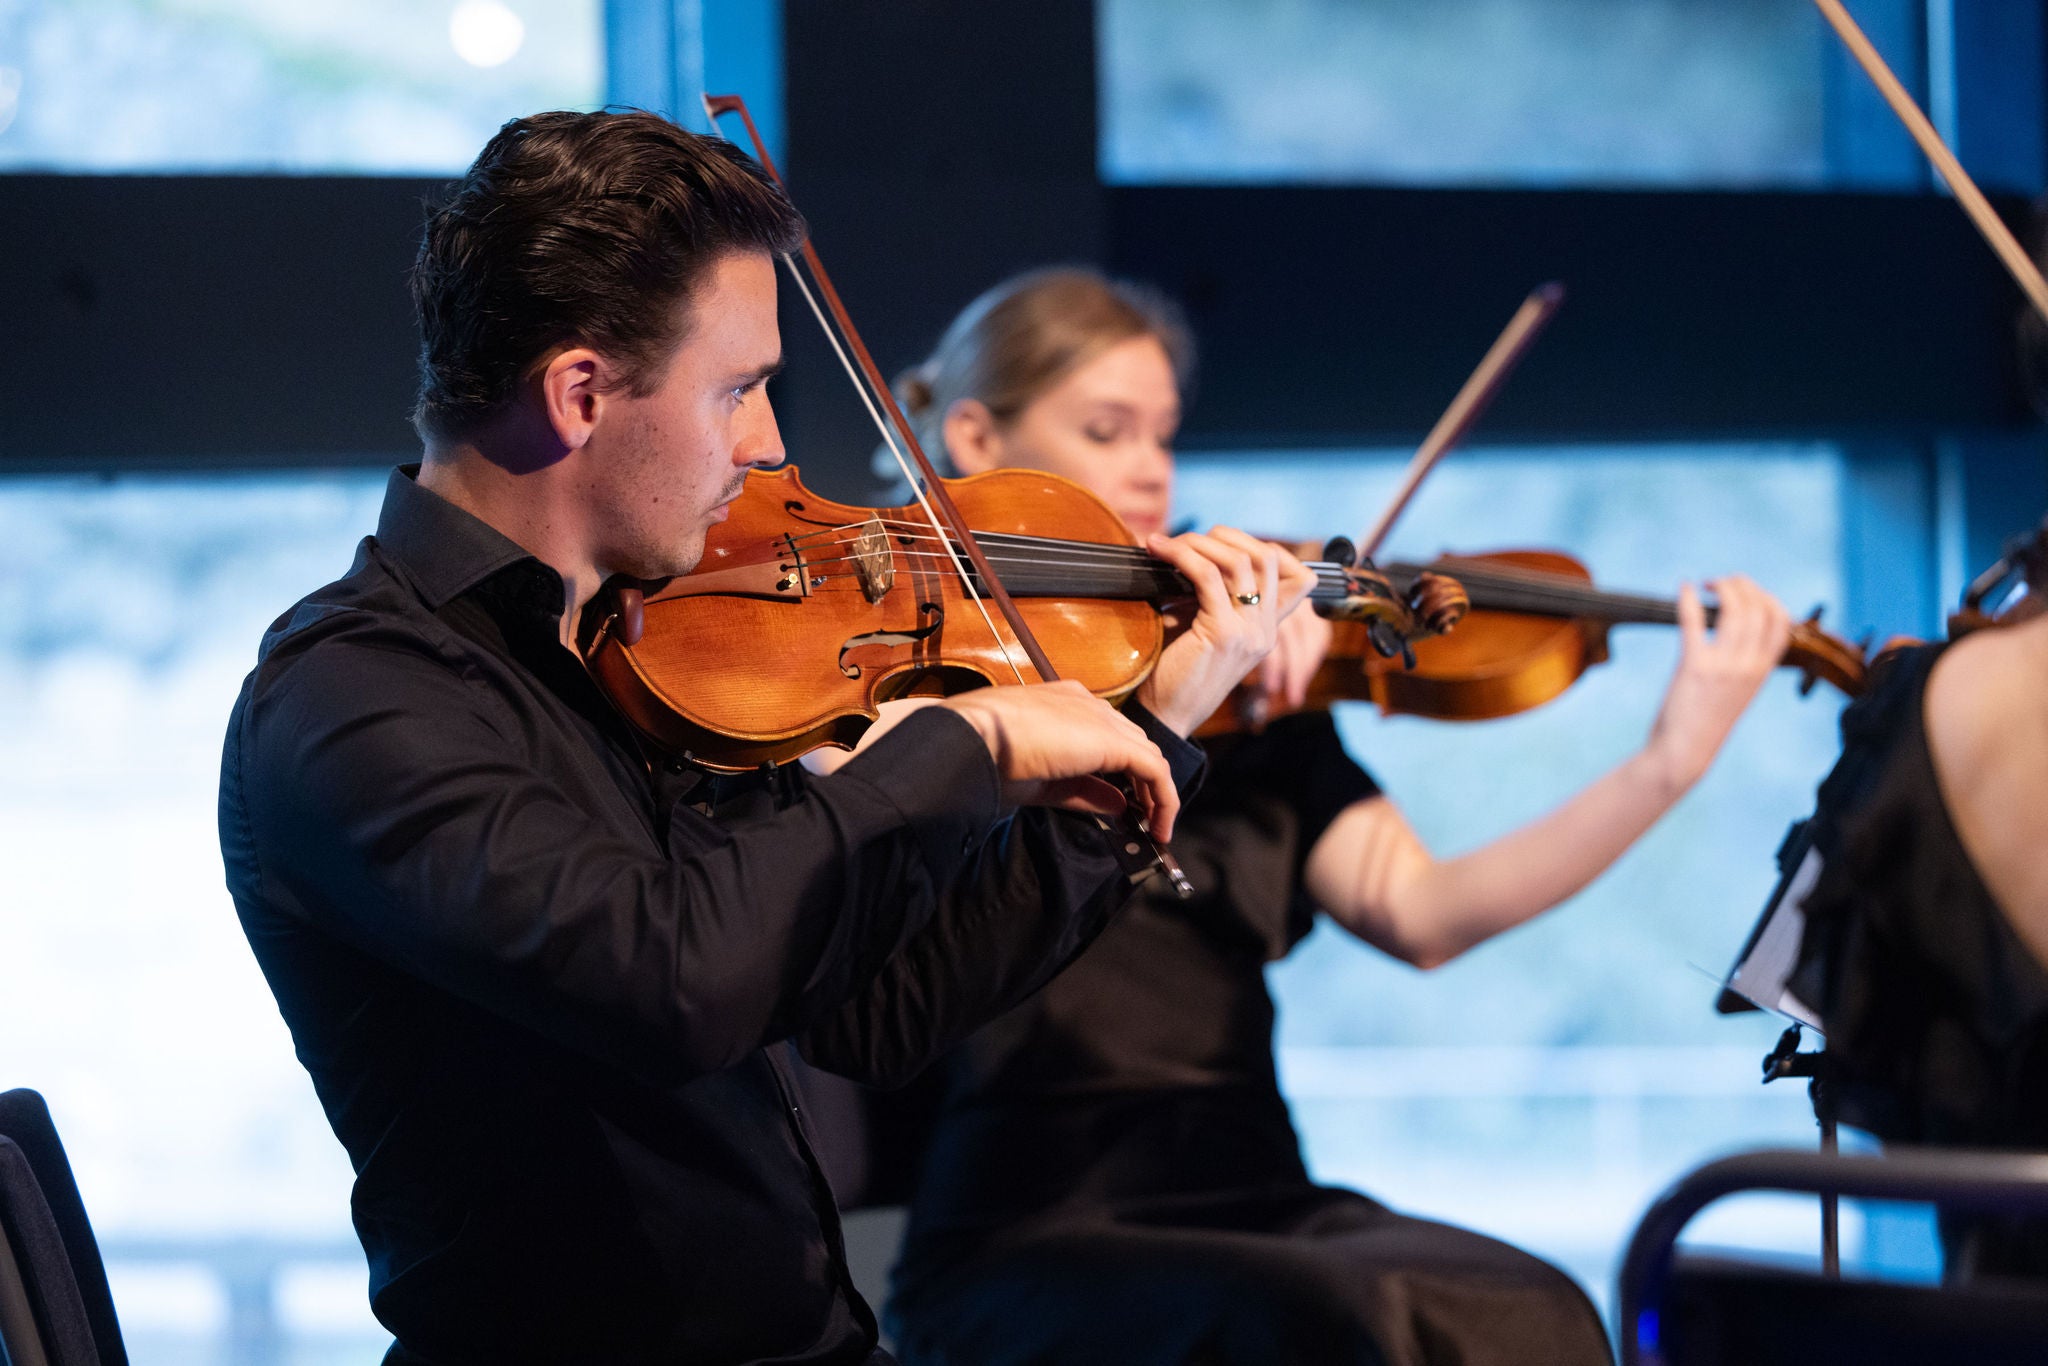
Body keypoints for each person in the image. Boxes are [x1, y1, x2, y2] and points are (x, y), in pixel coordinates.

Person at [217, 116, 1312, 1366]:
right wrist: (950, 744)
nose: (771, 445)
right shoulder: (353, 697)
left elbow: (877, 1011)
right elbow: (666, 980)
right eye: (735, 389)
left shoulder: (634, 655)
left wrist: (1145, 723)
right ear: (579, 394)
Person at [875, 268, 1794, 1365]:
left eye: (1163, 436)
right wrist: (1164, 695)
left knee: (1532, 1307)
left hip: (1253, 1183)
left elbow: (1423, 913)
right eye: (1106, 429)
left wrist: (1669, 760)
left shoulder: (1249, 702)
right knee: (1321, 1323)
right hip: (1027, 1216)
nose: (1148, 470)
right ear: (974, 435)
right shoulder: (922, 678)